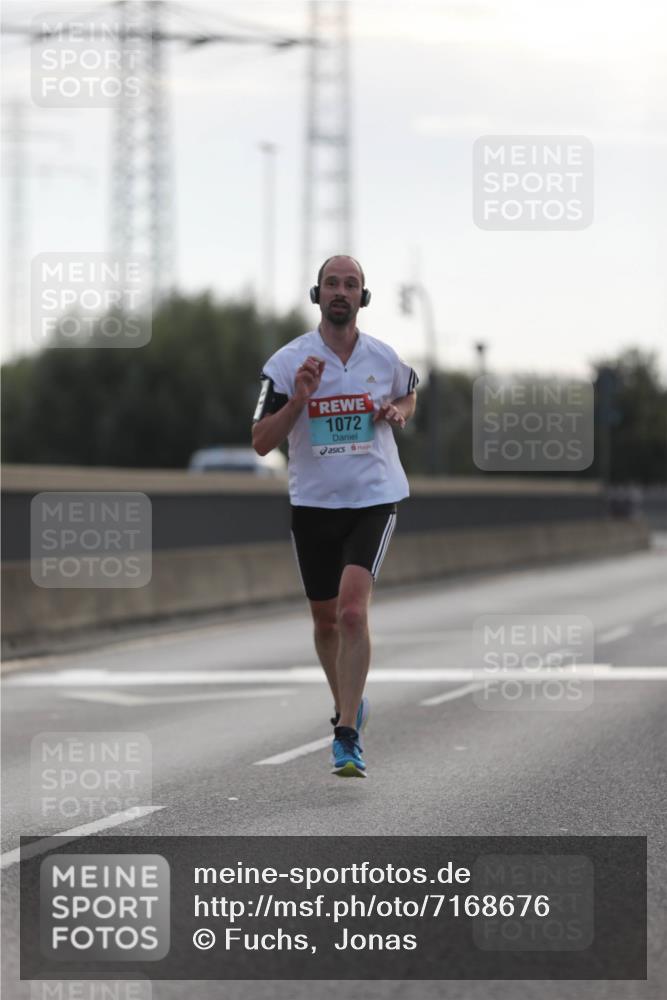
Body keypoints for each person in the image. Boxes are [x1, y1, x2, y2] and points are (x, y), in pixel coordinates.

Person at [252, 255, 418, 777]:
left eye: (351, 284)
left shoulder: (382, 357)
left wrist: (398, 413)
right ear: (317, 293)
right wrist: (299, 400)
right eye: (332, 283)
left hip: (373, 497)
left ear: (363, 297)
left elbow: (408, 391)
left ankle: (345, 734)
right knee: (325, 621)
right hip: (314, 505)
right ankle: (351, 701)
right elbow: (260, 443)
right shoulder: (286, 363)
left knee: (351, 611)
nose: (341, 291)